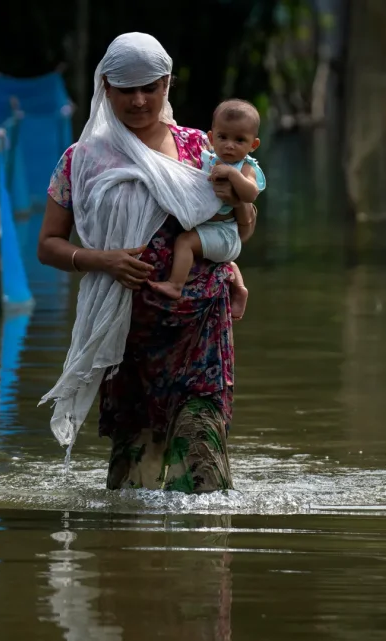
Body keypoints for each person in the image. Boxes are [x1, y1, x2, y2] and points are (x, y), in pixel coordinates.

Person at [37, 32, 257, 494]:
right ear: (106, 90)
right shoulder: (81, 161)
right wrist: (102, 260)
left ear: (166, 85)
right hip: (127, 339)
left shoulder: (204, 149)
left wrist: (232, 264)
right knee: (131, 492)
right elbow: (49, 245)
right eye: (125, 89)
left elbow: (237, 227)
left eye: (149, 88)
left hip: (199, 328)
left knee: (202, 483)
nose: (138, 100)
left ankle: (201, 563)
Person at [148, 99, 265, 321]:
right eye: (223, 138)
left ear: (253, 145)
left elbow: (250, 194)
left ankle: (175, 284)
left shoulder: (246, 167)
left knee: (185, 242)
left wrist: (233, 175)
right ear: (211, 138)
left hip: (224, 231)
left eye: (240, 140)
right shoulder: (207, 159)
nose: (230, 145)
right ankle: (238, 286)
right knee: (214, 253)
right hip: (211, 228)